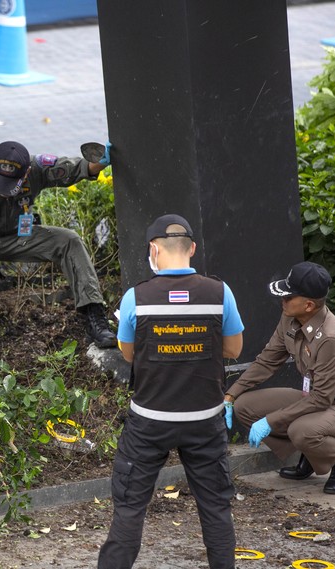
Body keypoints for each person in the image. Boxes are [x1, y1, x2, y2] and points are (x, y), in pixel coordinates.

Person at [98, 214, 244, 569]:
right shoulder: (219, 293)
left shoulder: (137, 298)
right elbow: (234, 349)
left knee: (130, 508)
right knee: (215, 507)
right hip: (204, 421)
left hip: (149, 422)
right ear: (192, 248)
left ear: (153, 250)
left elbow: (131, 354)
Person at [0, 140, 117, 348]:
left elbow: (77, 169)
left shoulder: (37, 168)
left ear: (26, 173)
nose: (3, 191)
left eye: (9, 186)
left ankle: (94, 316)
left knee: (69, 240)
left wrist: (100, 162)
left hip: (20, 237)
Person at [225, 261, 335, 495]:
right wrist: (230, 395)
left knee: (300, 430)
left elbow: (321, 400)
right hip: (316, 400)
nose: (282, 301)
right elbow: (267, 361)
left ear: (308, 305)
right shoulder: (290, 318)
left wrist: (270, 421)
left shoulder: (331, 338)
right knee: (245, 407)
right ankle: (314, 454)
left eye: (288, 296)